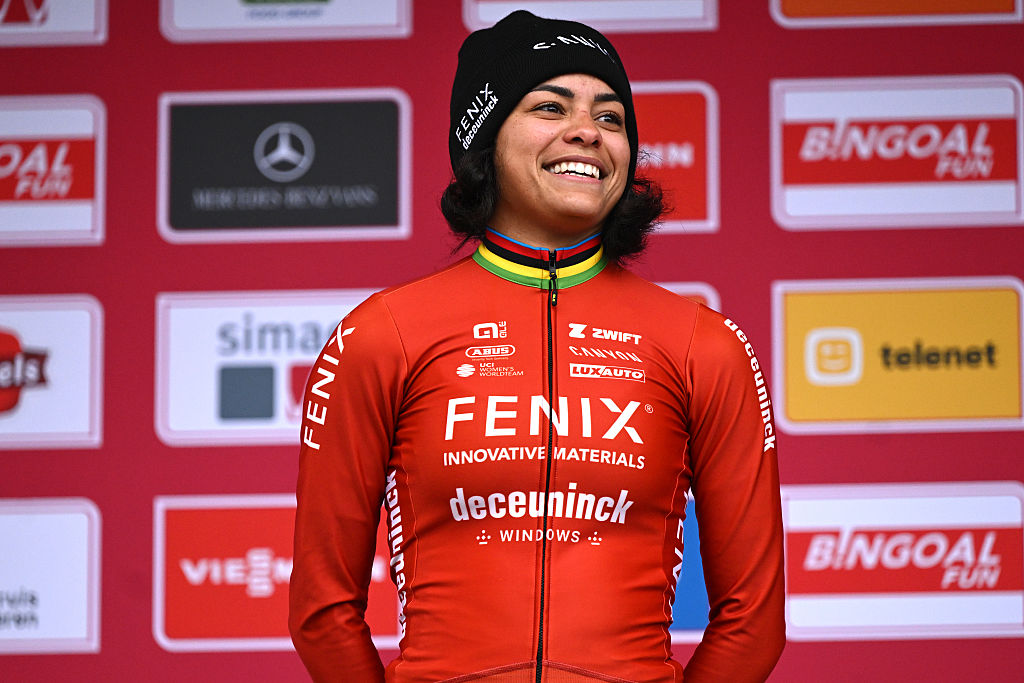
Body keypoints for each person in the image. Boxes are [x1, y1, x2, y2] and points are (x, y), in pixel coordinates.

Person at [289, 10, 785, 682]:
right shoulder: (384, 333)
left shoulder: (704, 343)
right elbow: (322, 610)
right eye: (551, 105)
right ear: (484, 137)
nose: (588, 130)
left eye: (611, 118)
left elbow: (754, 619)